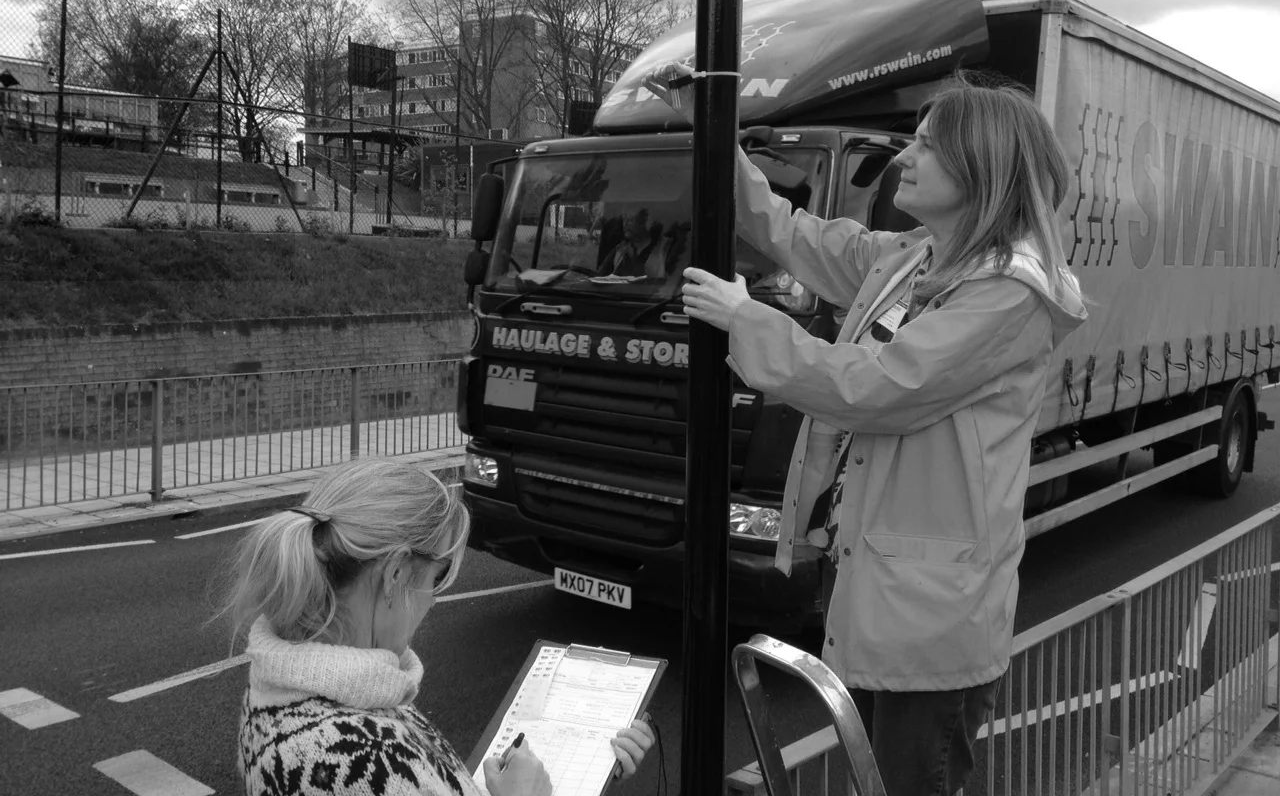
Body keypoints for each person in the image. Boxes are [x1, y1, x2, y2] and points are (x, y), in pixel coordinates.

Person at [646, 63, 1087, 796]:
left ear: (981, 171)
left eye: (926, 146)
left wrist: (747, 318)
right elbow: (786, 230)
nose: (904, 159)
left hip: (932, 618)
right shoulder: (916, 258)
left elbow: (881, 388)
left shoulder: (1009, 295)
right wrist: (712, 128)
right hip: (891, 593)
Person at [223, 458, 654, 796]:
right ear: (394, 576)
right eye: (438, 577)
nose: (435, 598)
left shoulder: (283, 692)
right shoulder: (365, 759)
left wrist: (589, 772)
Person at [598, 208, 670, 278]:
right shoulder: (620, 249)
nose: (625, 224)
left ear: (645, 221)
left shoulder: (664, 248)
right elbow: (600, 276)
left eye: (630, 220)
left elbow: (671, 283)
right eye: (624, 220)